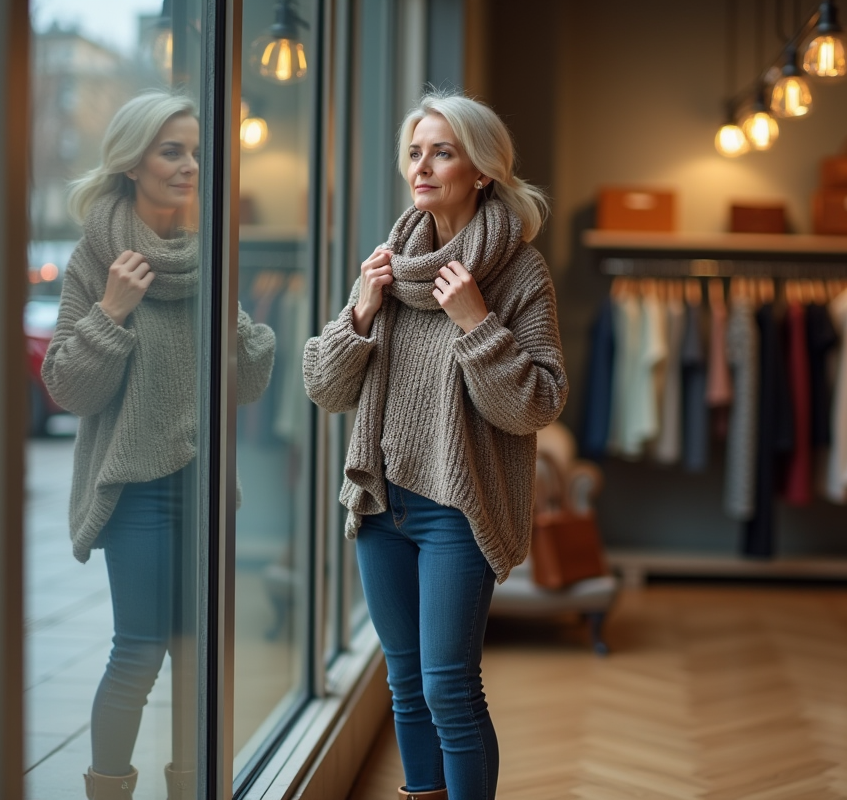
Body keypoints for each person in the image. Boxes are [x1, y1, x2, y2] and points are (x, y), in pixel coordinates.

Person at [303, 91, 567, 800]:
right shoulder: (391, 265)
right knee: (407, 686)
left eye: (442, 151)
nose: (422, 165)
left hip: (459, 508)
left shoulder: (518, 273)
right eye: (415, 151)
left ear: (482, 171)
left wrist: (477, 323)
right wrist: (359, 310)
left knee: (450, 687)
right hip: (380, 503)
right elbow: (324, 391)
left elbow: (535, 404)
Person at [42, 91, 276, 800]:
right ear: (131, 160)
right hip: (135, 490)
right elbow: (66, 389)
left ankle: (194, 790)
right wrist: (112, 311)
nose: (189, 165)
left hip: (205, 489)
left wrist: (235, 328)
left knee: (196, 657)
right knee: (139, 654)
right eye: (172, 150)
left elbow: (249, 379)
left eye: (196, 152)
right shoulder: (96, 256)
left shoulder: (207, 254)